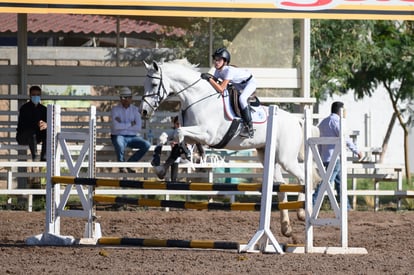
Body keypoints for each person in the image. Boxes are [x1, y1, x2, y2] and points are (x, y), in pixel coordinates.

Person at [312, 101, 363, 210]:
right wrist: (357, 151)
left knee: (340, 183)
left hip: (325, 158)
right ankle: (312, 203)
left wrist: (320, 156)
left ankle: (347, 207)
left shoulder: (323, 123)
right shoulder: (337, 122)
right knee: (326, 183)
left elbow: (319, 141)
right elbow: (345, 138)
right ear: (340, 110)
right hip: (335, 159)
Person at [200, 47, 257, 138]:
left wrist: (209, 79)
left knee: (242, 99)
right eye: (215, 59)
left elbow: (221, 88)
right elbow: (215, 86)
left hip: (249, 83)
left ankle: (249, 128)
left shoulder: (229, 70)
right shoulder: (217, 71)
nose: (216, 62)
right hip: (238, 84)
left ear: (225, 61)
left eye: (218, 60)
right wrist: (208, 79)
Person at [110, 87, 151, 173]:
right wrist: (130, 124)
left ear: (131, 98)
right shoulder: (115, 109)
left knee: (146, 144)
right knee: (119, 143)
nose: (124, 99)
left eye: (126, 97)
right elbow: (116, 126)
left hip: (132, 137)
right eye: (122, 97)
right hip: (119, 136)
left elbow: (138, 127)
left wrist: (122, 125)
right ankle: (122, 166)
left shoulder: (136, 110)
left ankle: (128, 164)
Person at [151, 116, 194, 181]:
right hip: (174, 158)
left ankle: (164, 169)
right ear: (174, 124)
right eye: (177, 124)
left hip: (186, 157)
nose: (178, 126)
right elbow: (163, 137)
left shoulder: (186, 132)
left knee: (177, 148)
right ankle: (157, 161)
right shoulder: (173, 132)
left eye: (180, 124)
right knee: (164, 139)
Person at [16, 85, 47, 161]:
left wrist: (45, 125)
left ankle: (44, 157)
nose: (36, 97)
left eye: (38, 95)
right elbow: (23, 126)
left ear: (40, 96)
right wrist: (36, 124)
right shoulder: (24, 108)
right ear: (30, 95)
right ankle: (35, 156)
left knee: (47, 132)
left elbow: (48, 122)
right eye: (33, 95)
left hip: (37, 137)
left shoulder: (43, 109)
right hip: (24, 136)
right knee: (31, 132)